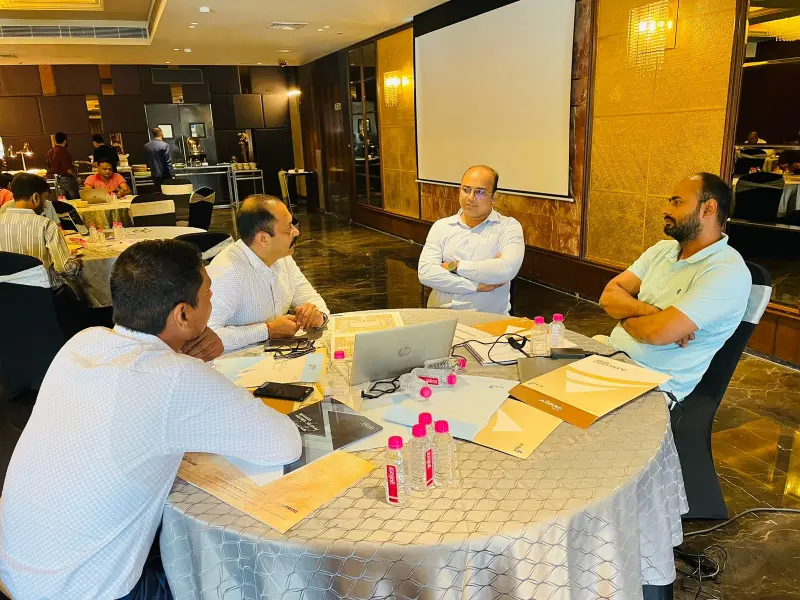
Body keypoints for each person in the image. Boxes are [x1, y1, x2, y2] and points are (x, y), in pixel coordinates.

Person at [0, 239, 302, 600]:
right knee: (227, 574)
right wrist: (189, 369)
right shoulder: (175, 377)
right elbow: (284, 443)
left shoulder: (83, 343)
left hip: (14, 572)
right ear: (182, 315)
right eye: (208, 294)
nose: (212, 300)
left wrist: (183, 358)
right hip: (87, 591)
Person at [598, 173, 751, 403]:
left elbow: (655, 333)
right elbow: (609, 296)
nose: (666, 209)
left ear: (708, 208)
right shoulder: (662, 250)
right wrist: (651, 313)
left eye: (676, 202)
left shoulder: (726, 271)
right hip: (609, 354)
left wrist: (624, 314)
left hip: (652, 383)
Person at [207, 195, 329, 352]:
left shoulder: (282, 258)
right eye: (288, 228)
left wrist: (318, 316)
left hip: (274, 357)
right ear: (263, 239)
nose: (296, 231)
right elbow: (205, 335)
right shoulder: (226, 272)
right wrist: (267, 330)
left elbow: (309, 296)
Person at [417, 165, 524, 314]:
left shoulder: (508, 227)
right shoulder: (442, 226)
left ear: (494, 197)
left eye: (480, 192)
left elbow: (506, 269)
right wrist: (476, 285)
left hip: (489, 318)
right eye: (466, 190)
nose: (470, 197)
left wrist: (454, 267)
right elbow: (426, 273)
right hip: (442, 315)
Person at [0, 173, 80, 289]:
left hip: (5, 291)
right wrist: (76, 264)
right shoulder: (46, 225)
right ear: (36, 197)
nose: (44, 206)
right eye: (45, 200)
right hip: (42, 291)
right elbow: (64, 268)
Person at [46, 131, 80, 199]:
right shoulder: (64, 151)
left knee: (63, 200)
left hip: (58, 179)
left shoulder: (50, 152)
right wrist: (76, 177)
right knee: (75, 199)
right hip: (67, 179)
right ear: (65, 141)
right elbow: (69, 169)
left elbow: (48, 166)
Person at [144, 127, 174, 192]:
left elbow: (146, 161)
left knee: (158, 192)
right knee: (168, 192)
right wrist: (172, 175)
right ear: (161, 133)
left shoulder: (146, 146)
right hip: (165, 175)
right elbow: (168, 162)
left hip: (154, 174)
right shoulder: (165, 145)